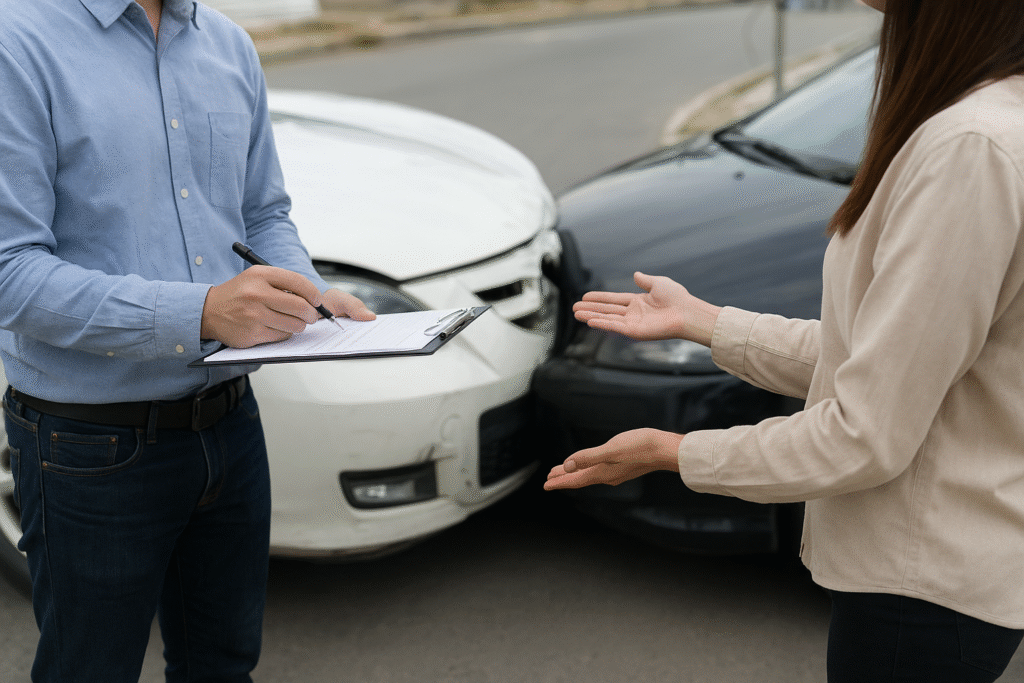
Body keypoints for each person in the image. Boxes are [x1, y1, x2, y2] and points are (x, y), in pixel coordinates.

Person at [545, 0, 1024, 680]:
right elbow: (877, 360)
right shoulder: (987, 121)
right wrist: (704, 321)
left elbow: (866, 431)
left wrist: (675, 453)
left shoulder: (970, 148)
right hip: (941, 580)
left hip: (924, 594)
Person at [0, 0, 375, 680]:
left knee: (223, 663)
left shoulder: (228, 44)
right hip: (90, 446)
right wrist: (201, 312)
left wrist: (305, 292)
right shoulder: (15, 39)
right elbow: (10, 271)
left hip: (231, 424)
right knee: (90, 668)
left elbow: (261, 211)